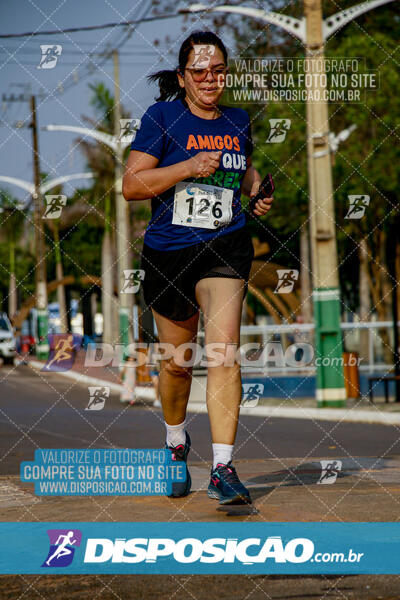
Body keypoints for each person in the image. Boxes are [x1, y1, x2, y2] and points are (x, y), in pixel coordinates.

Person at [123, 30, 273, 505]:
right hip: (170, 252)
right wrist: (186, 168)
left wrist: (255, 189)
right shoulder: (161, 117)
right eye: (200, 71)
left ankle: (223, 468)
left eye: (219, 70)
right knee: (178, 363)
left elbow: (240, 168)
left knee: (224, 351)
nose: (211, 79)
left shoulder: (238, 120)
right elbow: (131, 185)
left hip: (225, 246)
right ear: (184, 76)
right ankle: (175, 444)